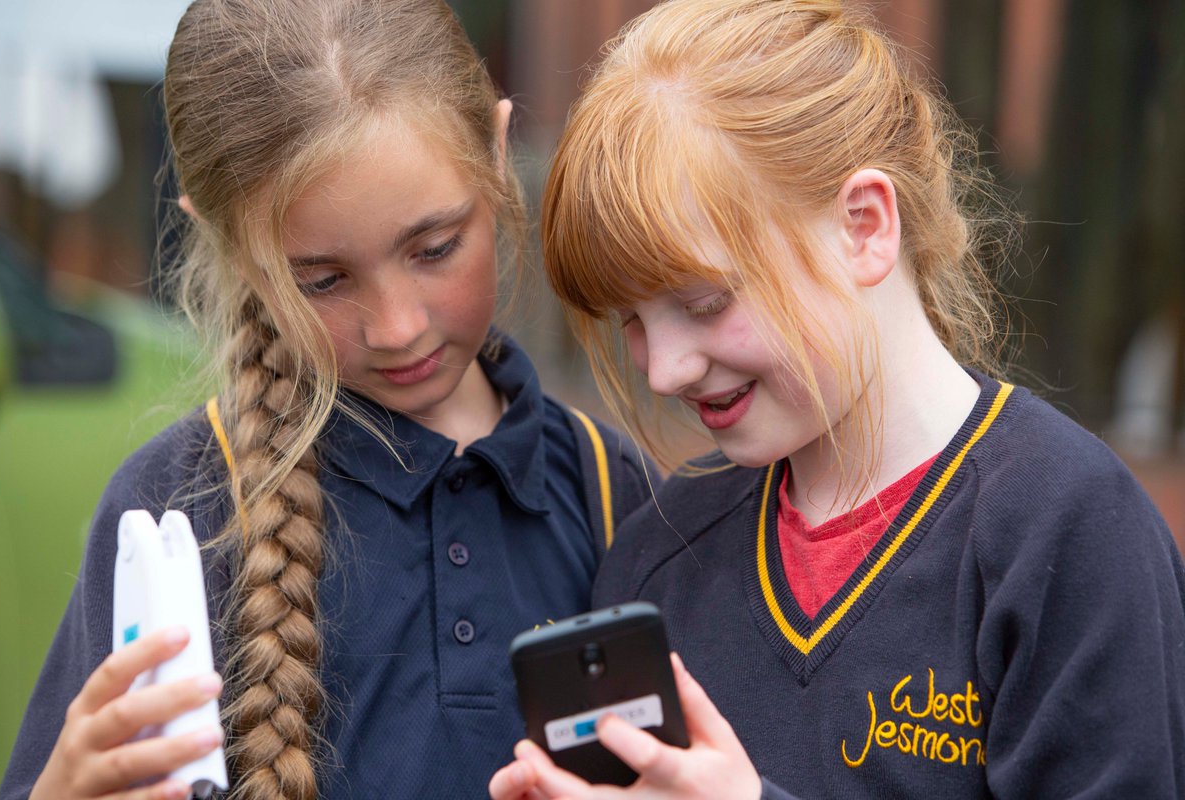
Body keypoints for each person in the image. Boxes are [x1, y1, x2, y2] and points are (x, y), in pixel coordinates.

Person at [490, 0, 1185, 798]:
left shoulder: (1071, 530)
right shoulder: (658, 558)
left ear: (863, 226)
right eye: (631, 324)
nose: (664, 371)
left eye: (706, 302)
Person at [0, 1, 655, 798]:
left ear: (494, 145)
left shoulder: (613, 491)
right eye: (323, 280)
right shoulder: (174, 513)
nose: (398, 326)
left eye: (435, 248)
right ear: (230, 246)